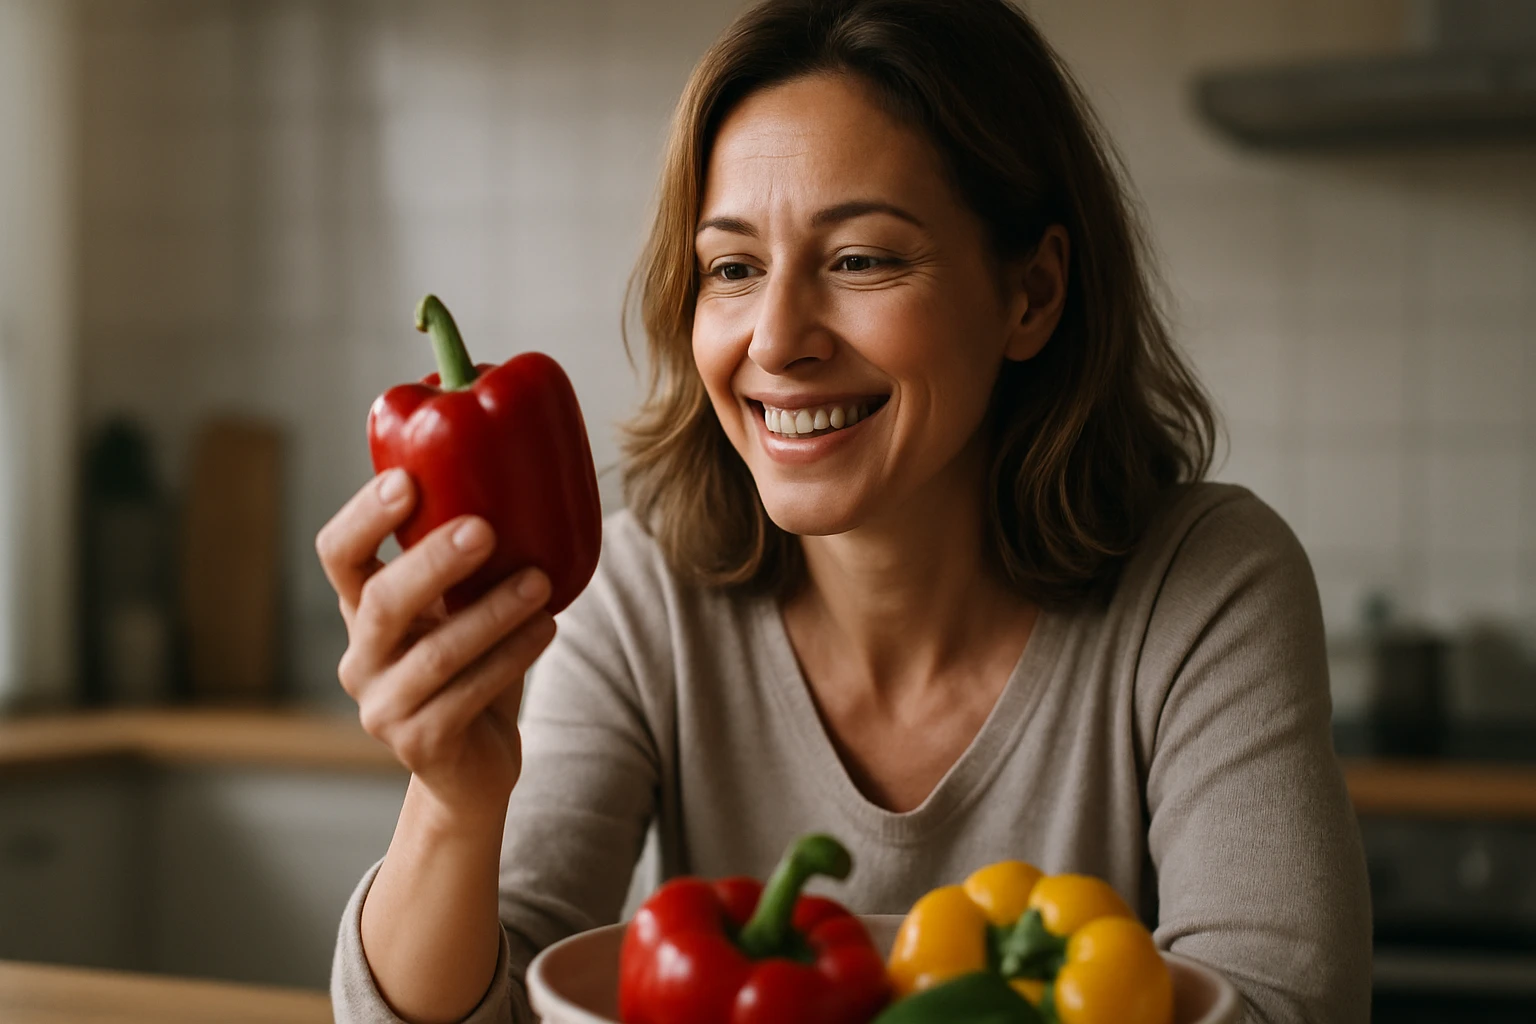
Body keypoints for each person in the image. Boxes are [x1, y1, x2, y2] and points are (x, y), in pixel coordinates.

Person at [322, 1, 1372, 1021]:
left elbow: (1287, 1009)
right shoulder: (643, 596)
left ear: (1034, 293)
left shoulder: (1207, 586)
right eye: (732, 268)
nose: (777, 339)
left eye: (860, 258)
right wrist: (454, 799)